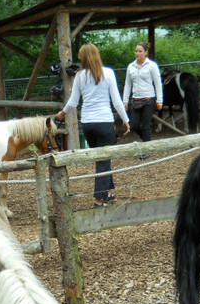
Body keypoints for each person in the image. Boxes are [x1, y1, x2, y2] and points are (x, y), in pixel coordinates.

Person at [55, 44, 130, 208]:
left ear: (84, 58)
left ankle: (109, 192)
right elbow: (116, 101)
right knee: (103, 160)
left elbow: (73, 101)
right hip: (104, 122)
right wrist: (126, 120)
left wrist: (62, 113)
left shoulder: (80, 76)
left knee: (102, 158)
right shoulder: (108, 73)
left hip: (88, 124)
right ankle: (98, 198)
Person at [122, 42, 163, 159]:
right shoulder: (131, 67)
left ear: (145, 52)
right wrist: (125, 100)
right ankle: (146, 140)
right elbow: (127, 84)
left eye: (140, 51)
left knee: (145, 125)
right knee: (134, 125)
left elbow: (158, 83)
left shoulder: (152, 65)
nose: (137, 53)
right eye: (136, 51)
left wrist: (160, 100)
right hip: (135, 99)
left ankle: (146, 149)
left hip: (149, 98)